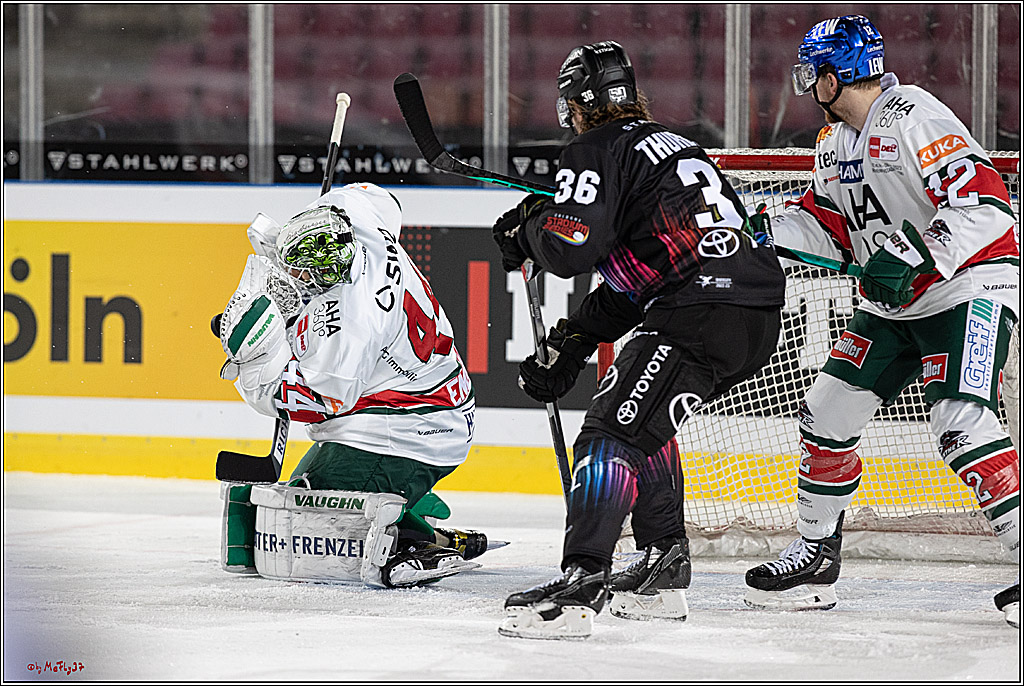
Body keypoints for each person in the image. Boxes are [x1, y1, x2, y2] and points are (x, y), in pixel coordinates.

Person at [490, 40, 787, 639]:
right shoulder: (673, 146)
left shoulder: (594, 148)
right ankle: (662, 566)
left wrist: (528, 232)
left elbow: (574, 248)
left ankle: (581, 583)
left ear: (576, 103)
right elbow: (639, 274)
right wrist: (574, 341)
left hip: (699, 307)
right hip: (751, 311)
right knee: (645, 423)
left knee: (609, 432)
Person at [741, 15, 1019, 629]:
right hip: (895, 305)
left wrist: (920, 252)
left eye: (814, 73)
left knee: (962, 423)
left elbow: (989, 204)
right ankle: (816, 555)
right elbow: (832, 229)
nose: (808, 84)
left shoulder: (912, 115)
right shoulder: (833, 143)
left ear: (838, 74)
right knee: (828, 409)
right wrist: (762, 229)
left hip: (968, 288)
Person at [218, 182, 484, 588]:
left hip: (406, 431)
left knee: (304, 524)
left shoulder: (354, 324)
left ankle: (417, 537)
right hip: (421, 404)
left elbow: (316, 401)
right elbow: (379, 197)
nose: (297, 280)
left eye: (304, 274)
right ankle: (402, 502)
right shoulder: (354, 214)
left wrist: (256, 359)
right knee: (289, 512)